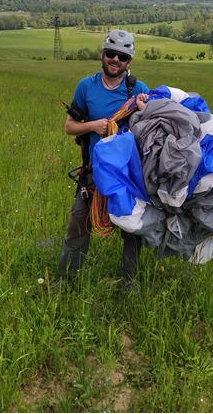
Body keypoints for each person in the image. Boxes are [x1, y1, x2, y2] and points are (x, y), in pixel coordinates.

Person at [57, 29, 150, 287]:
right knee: (79, 225)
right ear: (102, 55)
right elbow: (69, 126)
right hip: (94, 172)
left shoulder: (138, 90)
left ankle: (130, 284)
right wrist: (93, 126)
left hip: (128, 175)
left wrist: (144, 109)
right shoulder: (86, 86)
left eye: (122, 56)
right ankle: (66, 282)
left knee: (131, 231)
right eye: (111, 54)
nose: (115, 60)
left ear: (129, 62)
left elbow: (152, 130)